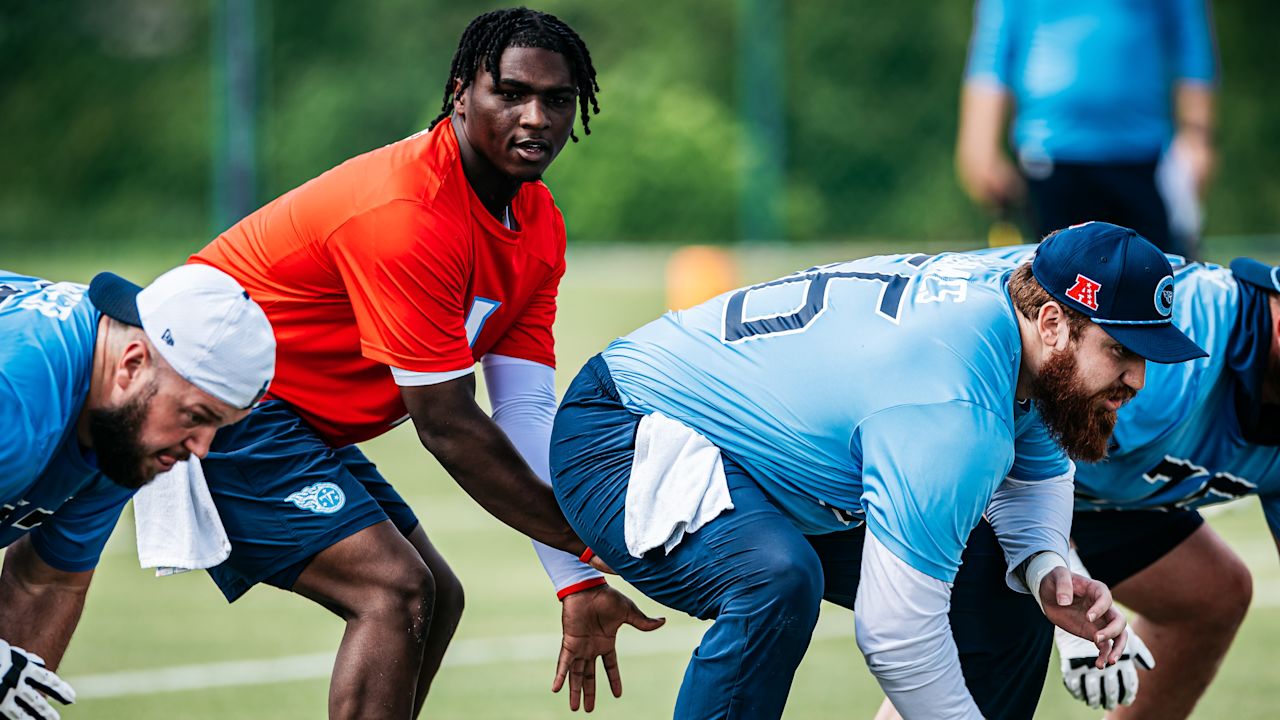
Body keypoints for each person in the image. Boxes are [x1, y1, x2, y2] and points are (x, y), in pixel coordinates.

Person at [184, 8, 657, 719]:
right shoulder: (410, 211)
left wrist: (575, 579)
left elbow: (523, 410)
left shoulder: (539, 224)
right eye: (512, 93)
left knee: (436, 600)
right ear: (462, 91)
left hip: (299, 420)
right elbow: (445, 424)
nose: (536, 118)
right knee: (394, 590)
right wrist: (592, 549)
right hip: (209, 400)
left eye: (557, 99)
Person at [550, 221, 1207, 719]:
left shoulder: (1024, 300)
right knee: (775, 580)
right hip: (624, 428)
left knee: (1002, 593)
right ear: (1056, 324)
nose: (1138, 379)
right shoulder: (951, 411)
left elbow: (1036, 474)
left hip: (770, 466)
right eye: (1121, 351)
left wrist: (1044, 569)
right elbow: (896, 635)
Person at [0, 264, 275, 720]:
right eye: (195, 416)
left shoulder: (121, 423)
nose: (201, 450)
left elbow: (44, 582)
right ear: (132, 363)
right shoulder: (17, 399)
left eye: (218, 427)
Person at [1038, 254, 1280, 718]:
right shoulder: (1174, 355)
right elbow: (999, 456)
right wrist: (1057, 574)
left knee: (1210, 594)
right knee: (995, 635)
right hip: (977, 462)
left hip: (1094, 491)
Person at [957, 0, 1218, 256]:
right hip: (1048, 154)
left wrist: (1196, 136)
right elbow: (994, 46)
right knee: (1053, 288)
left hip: (1145, 157)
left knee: (1152, 282)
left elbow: (1190, 39)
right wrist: (979, 144)